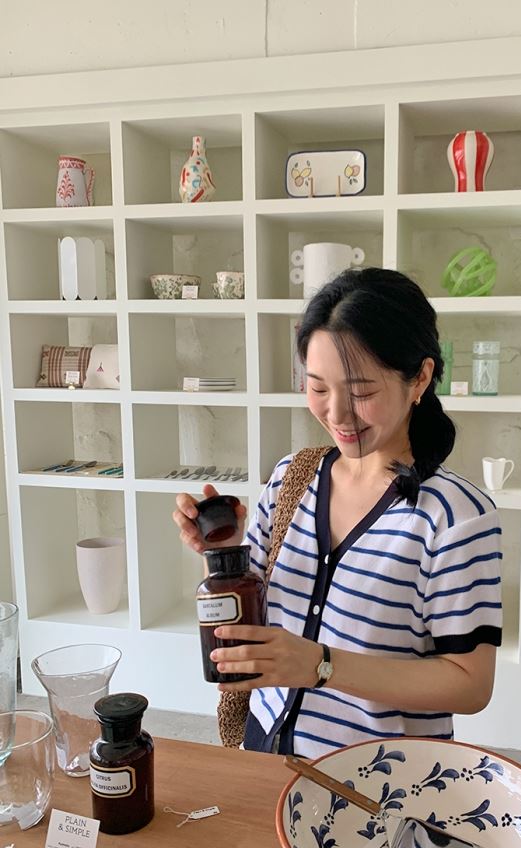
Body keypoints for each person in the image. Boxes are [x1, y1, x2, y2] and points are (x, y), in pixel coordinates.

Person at [173, 267, 503, 758]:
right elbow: (251, 616)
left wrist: (321, 666)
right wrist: (221, 555)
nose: (337, 414)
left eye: (361, 392)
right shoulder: (291, 478)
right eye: (318, 388)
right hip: (265, 752)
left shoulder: (455, 517)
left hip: (378, 778)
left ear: (420, 378)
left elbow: (470, 685)